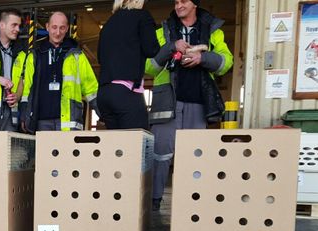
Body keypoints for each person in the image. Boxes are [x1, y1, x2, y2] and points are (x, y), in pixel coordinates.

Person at [145, 0, 233, 210]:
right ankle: (153, 203)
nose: (178, 5)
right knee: (159, 154)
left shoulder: (213, 31)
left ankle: (191, 206)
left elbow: (226, 63)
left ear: (195, 4)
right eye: (176, 2)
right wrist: (170, 48)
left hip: (198, 103)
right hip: (167, 103)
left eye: (183, 1)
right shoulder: (162, 31)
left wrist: (203, 58)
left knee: (195, 157)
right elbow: (149, 67)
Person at [18, 11, 99, 132]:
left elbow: (91, 87)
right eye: (54, 27)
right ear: (47, 27)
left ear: (67, 29)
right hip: (41, 121)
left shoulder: (77, 55)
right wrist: (24, 114)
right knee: (43, 152)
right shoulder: (35, 55)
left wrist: (103, 113)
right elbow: (26, 89)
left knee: (68, 151)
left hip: (69, 121)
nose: (58, 32)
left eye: (62, 28)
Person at [97, 0, 159, 130]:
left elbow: (99, 57)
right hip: (126, 91)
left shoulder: (108, 23)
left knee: (116, 146)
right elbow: (151, 49)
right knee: (137, 144)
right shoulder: (142, 16)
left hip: (104, 93)